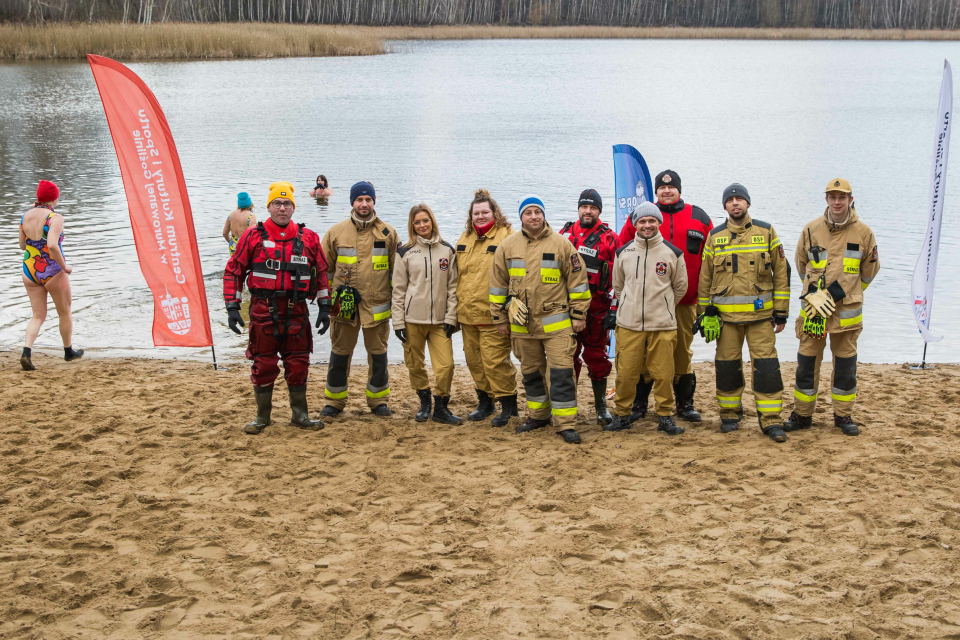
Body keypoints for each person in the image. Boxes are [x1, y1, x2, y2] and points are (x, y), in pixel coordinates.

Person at [223, 181, 328, 434]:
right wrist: (232, 307)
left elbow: (323, 274)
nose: (282, 208)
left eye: (287, 203)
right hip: (262, 310)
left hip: (297, 311)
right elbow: (234, 271)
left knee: (299, 363)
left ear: (294, 208)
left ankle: (300, 416)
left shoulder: (310, 238)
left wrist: (325, 307)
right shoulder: (252, 236)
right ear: (268, 207)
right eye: (277, 203)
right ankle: (262, 417)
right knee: (264, 363)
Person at [490, 195, 591, 444]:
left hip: (557, 325)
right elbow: (497, 285)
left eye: (537, 212)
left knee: (561, 374)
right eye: (528, 213)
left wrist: (579, 315)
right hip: (522, 325)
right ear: (521, 217)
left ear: (543, 215)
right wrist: (499, 318)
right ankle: (538, 416)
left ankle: (565, 423)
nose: (533, 216)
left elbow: (578, 283)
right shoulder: (507, 246)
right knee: (531, 373)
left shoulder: (562, 244)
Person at [784, 178, 880, 437]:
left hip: (846, 314)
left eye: (842, 197)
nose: (837, 202)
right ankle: (802, 415)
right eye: (832, 197)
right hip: (814, 311)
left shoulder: (864, 232)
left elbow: (869, 273)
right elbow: (802, 267)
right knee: (806, 363)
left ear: (851, 200)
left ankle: (843, 416)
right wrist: (817, 297)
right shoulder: (811, 229)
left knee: (846, 367)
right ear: (826, 199)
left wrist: (846, 293)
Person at [698, 184, 791, 442]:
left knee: (767, 369)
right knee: (727, 367)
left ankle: (771, 420)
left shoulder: (767, 231)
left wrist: (781, 313)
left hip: (761, 319)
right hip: (726, 321)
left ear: (748, 204)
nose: (735, 203)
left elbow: (782, 274)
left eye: (740, 199)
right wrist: (705, 314)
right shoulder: (714, 237)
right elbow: (704, 279)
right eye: (730, 200)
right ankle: (729, 415)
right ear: (725, 206)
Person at [618, 170, 713, 425]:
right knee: (643, 358)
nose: (667, 191)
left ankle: (684, 403)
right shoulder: (639, 217)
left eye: (671, 188)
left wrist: (707, 302)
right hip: (641, 305)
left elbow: (712, 260)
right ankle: (639, 404)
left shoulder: (699, 217)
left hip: (684, 303)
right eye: (662, 188)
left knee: (682, 354)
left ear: (679, 190)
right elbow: (622, 255)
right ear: (656, 191)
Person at [604, 201, 687, 434]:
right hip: (629, 325)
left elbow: (679, 288)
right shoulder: (624, 252)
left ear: (659, 223)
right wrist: (631, 306)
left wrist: (662, 307)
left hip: (662, 325)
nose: (647, 225)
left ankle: (665, 416)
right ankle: (621, 415)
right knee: (626, 373)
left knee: (663, 374)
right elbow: (618, 286)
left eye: (652, 221)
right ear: (635, 224)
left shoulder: (673, 253)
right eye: (642, 221)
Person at [320, 181, 399, 417]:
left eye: (368, 199)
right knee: (339, 354)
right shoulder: (336, 232)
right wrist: (326, 302)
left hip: (377, 306)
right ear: (352, 202)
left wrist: (399, 306)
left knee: (379, 356)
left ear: (374, 201)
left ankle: (378, 402)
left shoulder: (388, 233)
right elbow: (324, 271)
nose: (364, 204)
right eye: (359, 200)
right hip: (343, 307)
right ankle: (334, 402)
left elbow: (398, 274)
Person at [392, 203, 462, 425]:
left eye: (425, 220)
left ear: (432, 221)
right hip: (412, 320)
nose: (422, 225)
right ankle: (424, 402)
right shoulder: (404, 252)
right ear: (412, 225)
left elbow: (453, 288)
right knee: (415, 364)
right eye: (417, 222)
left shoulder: (447, 251)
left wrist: (452, 317)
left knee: (446, 366)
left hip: (440, 321)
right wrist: (398, 322)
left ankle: (441, 406)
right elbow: (399, 290)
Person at [457, 189, 519, 426]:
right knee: (474, 361)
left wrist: (508, 311)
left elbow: (517, 277)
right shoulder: (465, 238)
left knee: (496, 362)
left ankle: (509, 406)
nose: (480, 217)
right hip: (467, 314)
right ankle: (485, 402)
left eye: (485, 212)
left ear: (495, 212)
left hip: (494, 315)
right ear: (470, 216)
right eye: (476, 213)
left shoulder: (508, 237)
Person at [560, 188, 619, 426]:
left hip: (597, 310)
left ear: (599, 211)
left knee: (597, 357)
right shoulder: (563, 235)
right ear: (578, 209)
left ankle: (600, 406)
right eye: (584, 206)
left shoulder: (610, 239)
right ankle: (567, 406)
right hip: (566, 308)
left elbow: (620, 279)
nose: (588, 211)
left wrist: (614, 310)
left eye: (593, 207)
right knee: (567, 356)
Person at [19, 180, 83, 371]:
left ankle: (26, 352)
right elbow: (53, 245)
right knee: (64, 313)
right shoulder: (54, 217)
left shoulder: (25, 217)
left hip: (29, 270)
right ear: (54, 198)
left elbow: (22, 246)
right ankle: (68, 352)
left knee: (37, 316)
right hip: (53, 270)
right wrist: (65, 267)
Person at [223, 192, 257, 256]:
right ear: (250, 204)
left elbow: (225, 233)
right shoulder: (251, 216)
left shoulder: (231, 215)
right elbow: (253, 236)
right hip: (245, 247)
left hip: (233, 246)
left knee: (234, 265)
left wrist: (231, 242)